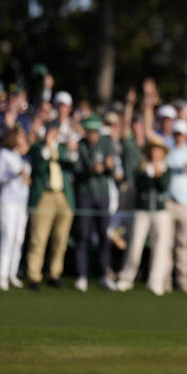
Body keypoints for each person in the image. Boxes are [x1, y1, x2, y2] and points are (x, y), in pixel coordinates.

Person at [117, 136, 174, 295]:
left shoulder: (166, 169)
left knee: (161, 246)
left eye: (158, 150)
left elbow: (163, 186)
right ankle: (126, 278)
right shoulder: (141, 168)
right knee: (135, 244)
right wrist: (152, 173)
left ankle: (156, 281)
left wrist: (157, 173)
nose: (155, 153)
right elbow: (142, 185)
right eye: (153, 149)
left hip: (160, 212)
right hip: (142, 210)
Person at [25, 122, 77, 290]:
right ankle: (34, 274)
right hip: (44, 195)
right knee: (39, 237)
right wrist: (47, 145)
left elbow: (72, 165)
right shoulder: (38, 148)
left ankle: (55, 272)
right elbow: (39, 166)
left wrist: (72, 150)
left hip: (62, 195)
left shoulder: (62, 148)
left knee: (60, 238)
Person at [73, 114, 116, 291]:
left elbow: (111, 167)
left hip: (102, 195)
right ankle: (81, 275)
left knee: (103, 236)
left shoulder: (106, 144)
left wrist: (107, 167)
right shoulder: (81, 145)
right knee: (82, 235)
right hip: (85, 195)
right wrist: (92, 169)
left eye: (95, 131)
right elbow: (77, 170)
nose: (93, 135)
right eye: (90, 131)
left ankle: (105, 274)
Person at [164, 118, 187, 294]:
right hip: (169, 202)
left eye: (181, 134)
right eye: (176, 134)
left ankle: (183, 280)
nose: (179, 137)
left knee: (183, 244)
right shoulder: (167, 152)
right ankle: (166, 280)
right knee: (167, 244)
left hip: (186, 204)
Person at [0, 126, 31, 290]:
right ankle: (1, 273)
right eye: (21, 136)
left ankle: (12, 273)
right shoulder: (4, 154)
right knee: (7, 236)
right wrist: (15, 173)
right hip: (8, 200)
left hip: (22, 202)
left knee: (18, 238)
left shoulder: (22, 157)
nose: (23, 139)